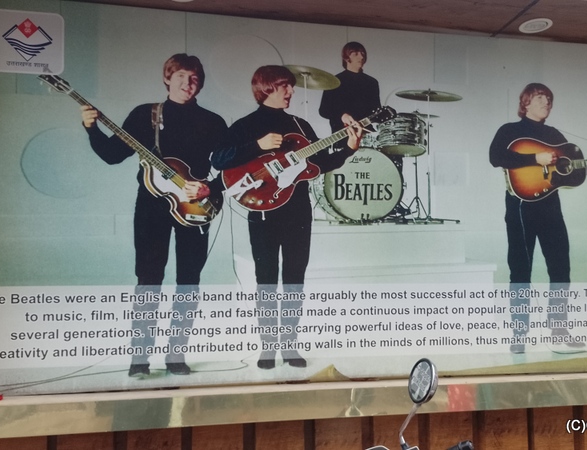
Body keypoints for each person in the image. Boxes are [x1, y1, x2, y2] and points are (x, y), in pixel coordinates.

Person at [81, 53, 227, 376]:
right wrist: (91, 129)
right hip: (152, 208)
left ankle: (176, 357)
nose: (187, 84)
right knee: (149, 281)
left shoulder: (214, 122)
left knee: (189, 282)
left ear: (200, 83)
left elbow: (230, 169)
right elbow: (111, 155)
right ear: (167, 78)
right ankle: (140, 360)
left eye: (193, 79)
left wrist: (207, 188)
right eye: (180, 77)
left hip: (194, 208)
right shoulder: (144, 117)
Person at [212, 65, 363, 369]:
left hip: (297, 211)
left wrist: (349, 147)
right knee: (265, 278)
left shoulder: (300, 124)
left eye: (291, 87)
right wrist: (258, 145)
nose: (290, 92)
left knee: (295, 277)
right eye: (284, 87)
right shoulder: (246, 125)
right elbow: (218, 158)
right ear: (266, 88)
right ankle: (267, 348)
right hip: (262, 212)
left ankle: (289, 345)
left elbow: (321, 161)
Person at [489, 82, 587, 354]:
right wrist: (535, 157)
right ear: (526, 101)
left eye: (549, 99)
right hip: (520, 207)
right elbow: (496, 157)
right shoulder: (509, 131)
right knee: (520, 271)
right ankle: (519, 335)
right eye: (541, 97)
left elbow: (575, 171)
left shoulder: (554, 135)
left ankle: (558, 332)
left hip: (550, 208)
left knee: (561, 270)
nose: (547, 103)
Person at [319, 41, 381, 134]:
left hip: (365, 133)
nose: (361, 57)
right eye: (356, 54)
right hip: (341, 134)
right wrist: (342, 115)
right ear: (346, 57)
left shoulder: (372, 83)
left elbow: (376, 110)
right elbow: (324, 110)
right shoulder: (334, 81)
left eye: (363, 54)